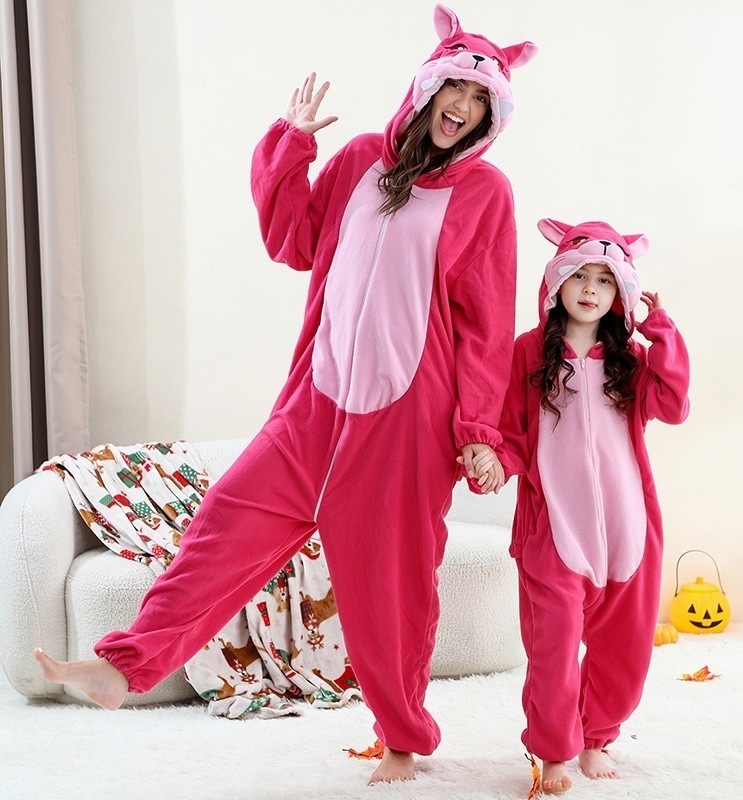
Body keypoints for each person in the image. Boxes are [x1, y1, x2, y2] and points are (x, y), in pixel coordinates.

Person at [34, 4, 536, 785]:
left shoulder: (486, 194)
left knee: (391, 589)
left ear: (490, 117)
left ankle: (402, 739)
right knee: (222, 527)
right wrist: (291, 144)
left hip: (408, 422)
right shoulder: (362, 159)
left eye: (480, 101)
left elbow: (486, 321)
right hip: (315, 402)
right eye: (455, 89)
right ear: (428, 87)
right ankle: (122, 667)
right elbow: (294, 239)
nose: (463, 108)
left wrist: (478, 429)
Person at [494, 218, 690, 794]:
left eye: (605, 280)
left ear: (620, 293)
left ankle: (596, 735)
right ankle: (555, 750)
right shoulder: (528, 352)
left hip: (628, 527)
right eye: (580, 275)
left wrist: (662, 331)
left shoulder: (630, 358)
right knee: (553, 651)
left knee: (624, 652)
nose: (590, 289)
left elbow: (675, 405)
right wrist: (492, 461)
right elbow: (510, 432)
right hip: (554, 528)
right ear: (557, 282)